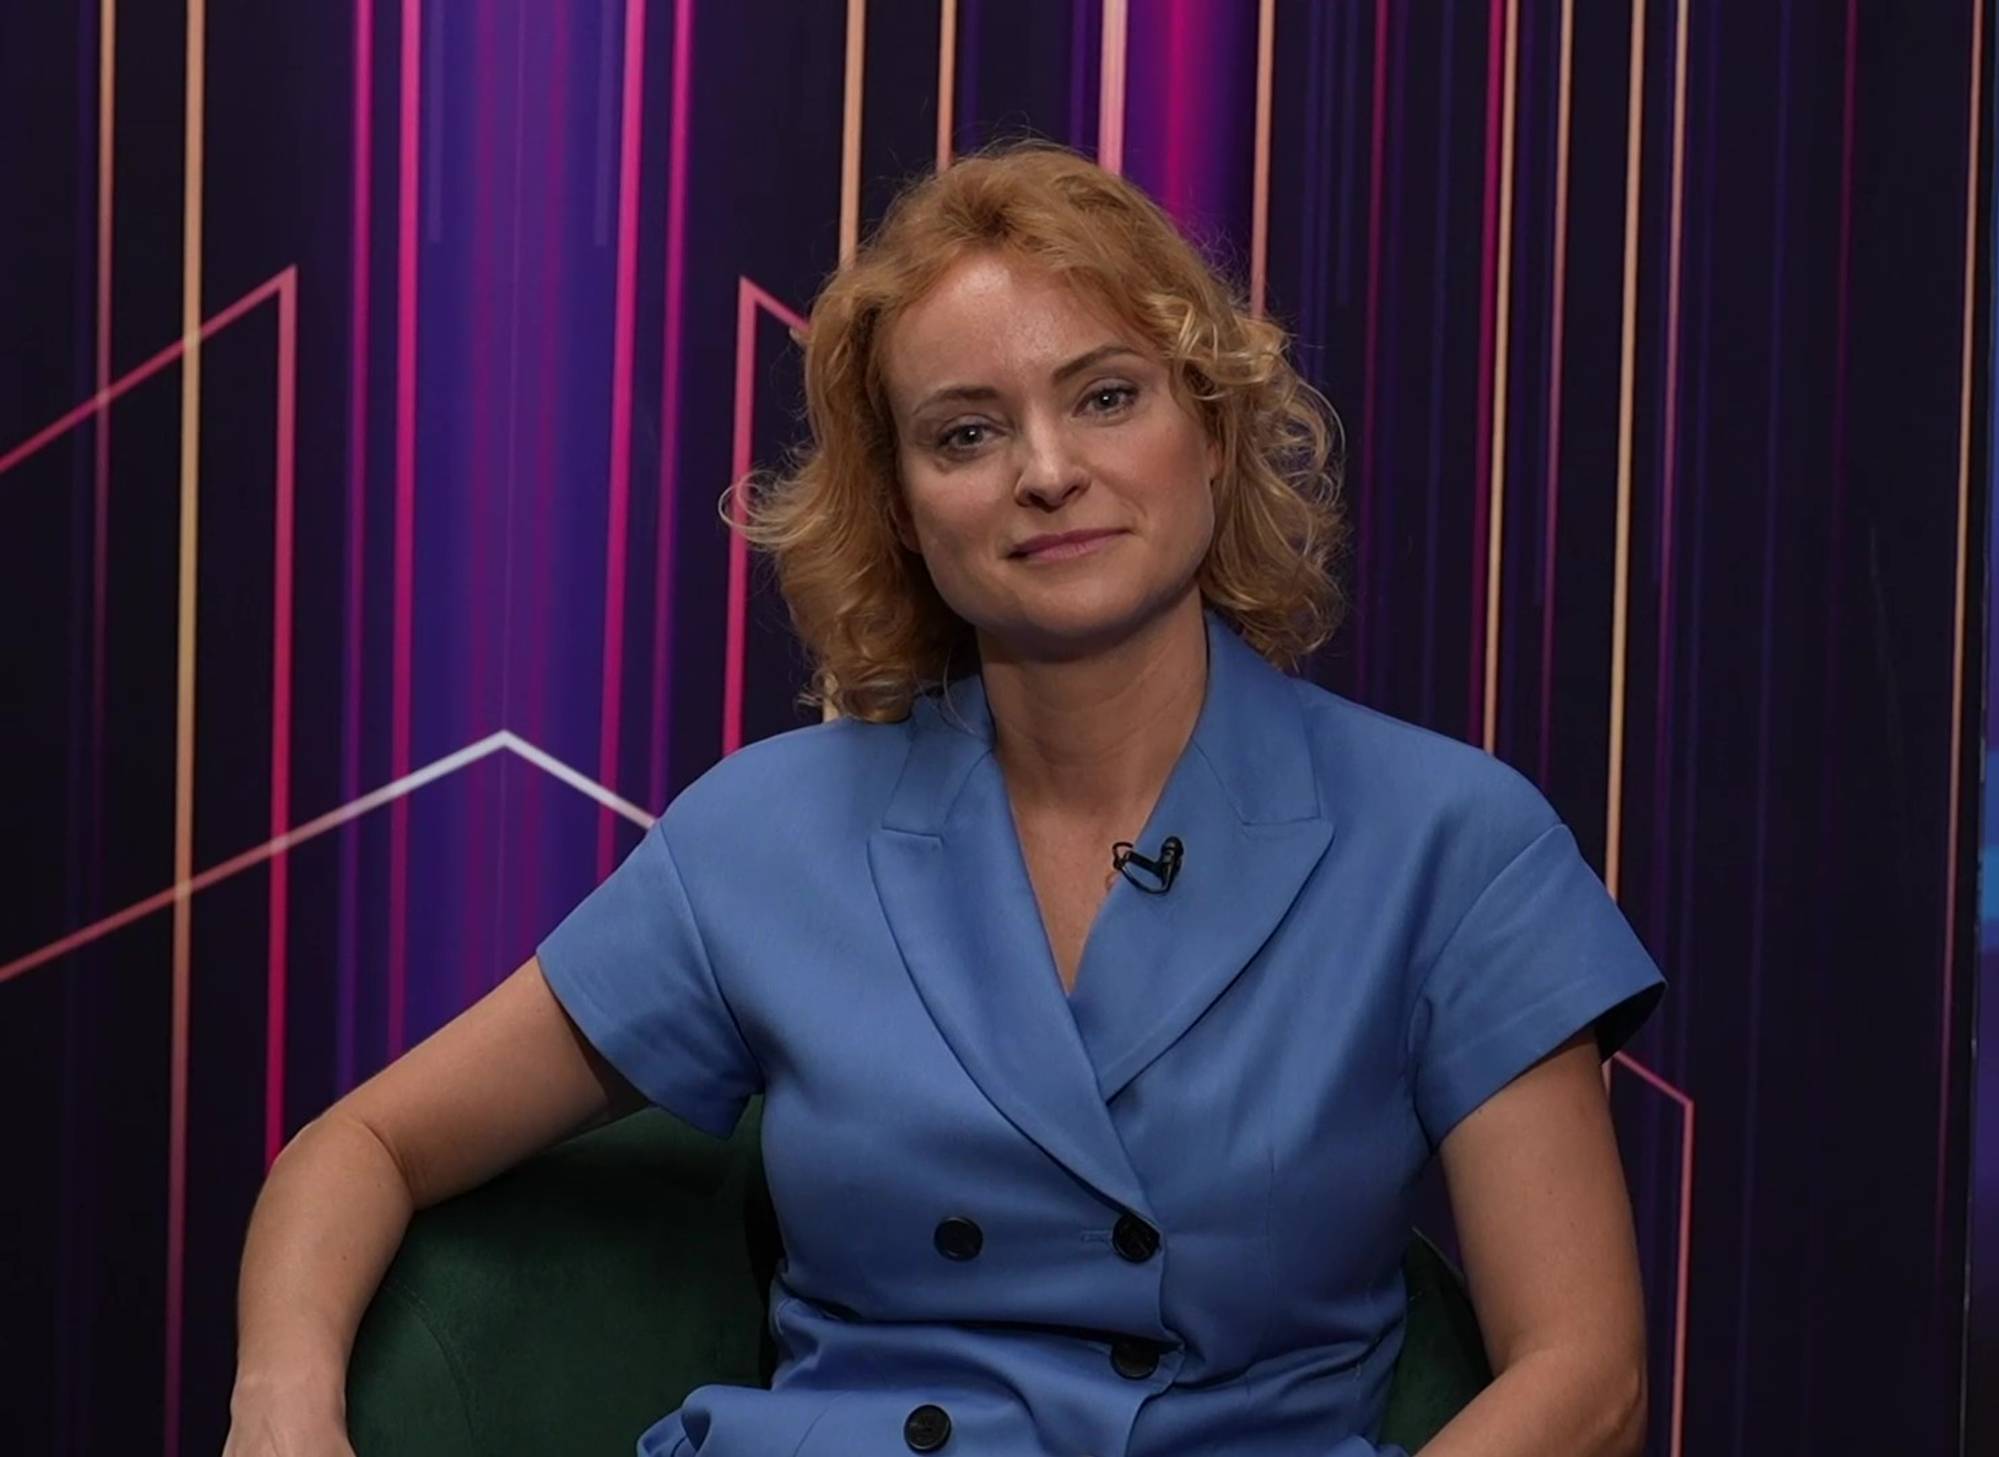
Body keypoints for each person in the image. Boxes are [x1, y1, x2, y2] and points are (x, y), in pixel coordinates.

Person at [225, 137, 1664, 1457]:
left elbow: (1587, 1375)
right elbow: (358, 1146)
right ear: (903, 509)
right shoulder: (762, 836)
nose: (1048, 472)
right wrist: (283, 1406)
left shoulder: (1454, 841)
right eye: (966, 433)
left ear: (1213, 432)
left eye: (1107, 396)